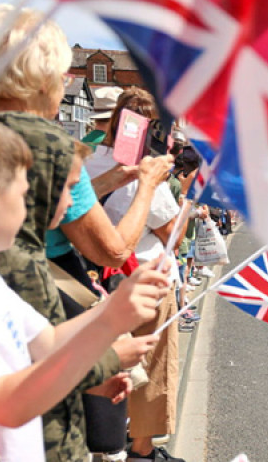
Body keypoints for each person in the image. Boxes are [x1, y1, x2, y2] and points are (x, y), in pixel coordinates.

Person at [0, 3, 156, 462]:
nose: (57, 199)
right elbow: (112, 248)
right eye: (41, 188)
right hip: (31, 393)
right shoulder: (44, 140)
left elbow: (46, 343)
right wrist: (112, 332)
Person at [83, 88, 186, 462]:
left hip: (95, 284)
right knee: (152, 366)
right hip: (145, 279)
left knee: (104, 363)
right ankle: (142, 450)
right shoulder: (148, 172)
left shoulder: (87, 162)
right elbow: (172, 231)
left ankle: (105, 446)